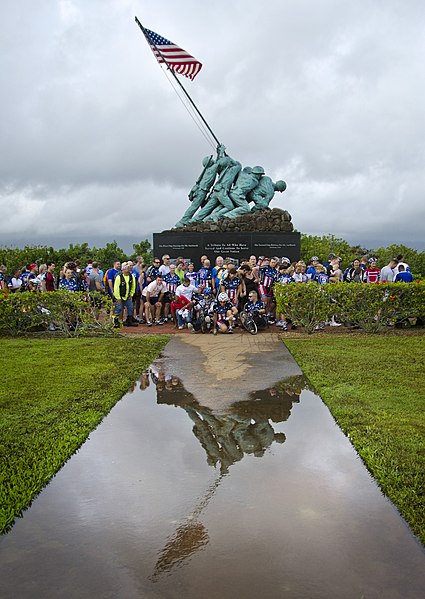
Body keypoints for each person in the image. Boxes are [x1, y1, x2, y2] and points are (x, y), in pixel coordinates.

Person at [113, 262, 138, 327]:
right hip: (120, 296)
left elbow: (133, 286)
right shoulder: (119, 277)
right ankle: (115, 321)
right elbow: (116, 288)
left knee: (130, 307)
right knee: (118, 308)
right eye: (126, 268)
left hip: (127, 296)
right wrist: (118, 297)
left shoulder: (131, 276)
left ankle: (129, 321)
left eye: (128, 268)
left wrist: (131, 294)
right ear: (123, 270)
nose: (127, 270)